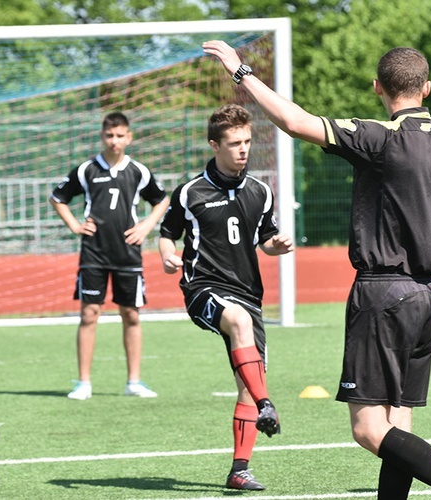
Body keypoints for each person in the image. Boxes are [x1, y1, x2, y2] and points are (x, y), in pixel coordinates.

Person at [202, 41, 431, 500]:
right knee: (397, 422)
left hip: (382, 293)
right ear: (427, 87)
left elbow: (293, 121)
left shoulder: (379, 136)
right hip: (428, 297)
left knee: (368, 430)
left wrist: (241, 72)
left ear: (378, 88)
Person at [158, 103, 294, 491]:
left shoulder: (260, 191)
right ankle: (268, 403)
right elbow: (168, 233)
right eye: (235, 143)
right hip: (203, 288)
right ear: (214, 144)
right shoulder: (190, 193)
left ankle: (239, 469)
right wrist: (168, 255)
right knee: (237, 321)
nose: (243, 150)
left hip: (248, 294)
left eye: (248, 141)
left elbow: (264, 239)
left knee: (247, 384)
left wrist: (276, 244)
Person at [50, 111, 169, 400]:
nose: (114, 141)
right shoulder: (87, 170)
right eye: (109, 136)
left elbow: (162, 200)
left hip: (128, 252)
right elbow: (58, 198)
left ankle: (134, 382)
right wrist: (76, 226)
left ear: (129, 137)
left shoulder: (138, 171)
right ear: (102, 136)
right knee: (89, 313)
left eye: (119, 136)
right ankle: (83, 383)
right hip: (94, 252)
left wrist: (146, 226)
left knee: (131, 314)